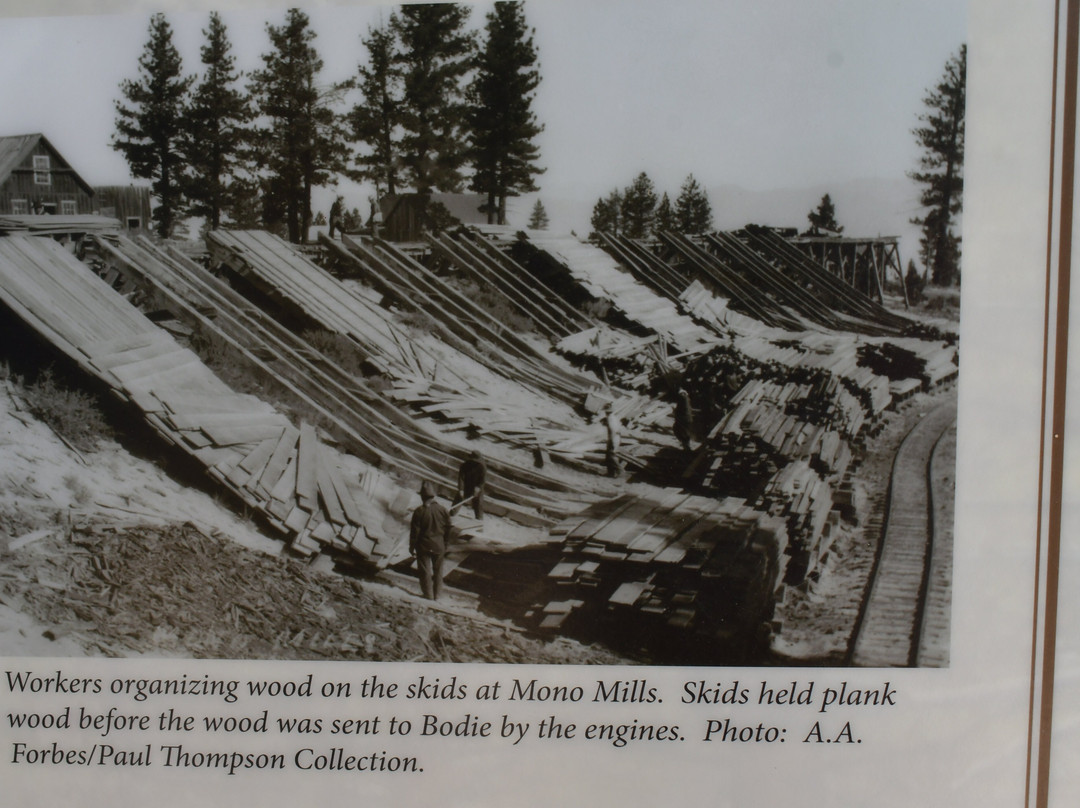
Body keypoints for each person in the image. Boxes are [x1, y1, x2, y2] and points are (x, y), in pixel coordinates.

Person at [409, 481, 451, 600]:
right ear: (433, 496)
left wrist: (411, 546)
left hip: (423, 546)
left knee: (425, 571)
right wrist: (445, 544)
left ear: (422, 496)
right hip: (439, 545)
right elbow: (448, 529)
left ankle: (428, 595)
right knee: (438, 572)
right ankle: (438, 596)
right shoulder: (443, 510)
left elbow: (414, 532)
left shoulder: (419, 511)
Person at [455, 451, 487, 519]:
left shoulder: (482, 467)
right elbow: (461, 478)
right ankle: (451, 515)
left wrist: (478, 488)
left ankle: (479, 521)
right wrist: (461, 489)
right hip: (466, 486)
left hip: (477, 487)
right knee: (458, 499)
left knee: (478, 504)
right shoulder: (464, 465)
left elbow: (482, 480)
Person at [604, 405, 624, 478]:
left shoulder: (610, 418)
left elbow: (614, 430)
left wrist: (611, 440)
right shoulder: (614, 417)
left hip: (614, 438)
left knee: (612, 455)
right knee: (609, 456)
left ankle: (620, 470)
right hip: (616, 437)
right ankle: (611, 473)